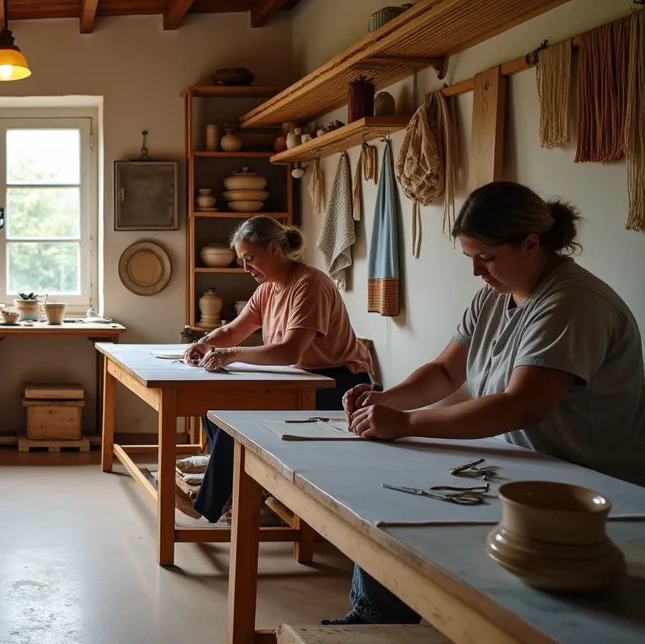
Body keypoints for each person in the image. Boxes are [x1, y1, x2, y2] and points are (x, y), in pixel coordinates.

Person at [324, 181, 645, 626]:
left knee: (409, 499)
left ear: (531, 244)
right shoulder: (495, 293)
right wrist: (384, 398)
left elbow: (521, 406)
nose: (477, 271)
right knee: (394, 495)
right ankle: (379, 617)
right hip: (519, 465)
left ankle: (392, 621)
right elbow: (444, 372)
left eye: (486, 257)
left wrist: (408, 422)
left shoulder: (573, 302)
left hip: (587, 485)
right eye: (470, 257)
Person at [184, 216, 373, 522]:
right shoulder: (268, 288)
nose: (246, 269)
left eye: (250, 259)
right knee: (213, 403)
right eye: (242, 260)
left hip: (340, 385)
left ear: (273, 249)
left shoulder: (309, 284)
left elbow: (288, 350)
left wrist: (230, 355)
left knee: (237, 417)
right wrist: (205, 342)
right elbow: (235, 329)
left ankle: (209, 504)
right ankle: (234, 491)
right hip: (300, 380)